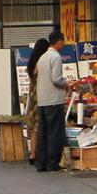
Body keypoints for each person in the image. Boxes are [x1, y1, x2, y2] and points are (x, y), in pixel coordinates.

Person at [34, 31, 68, 173]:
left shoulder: (42, 57)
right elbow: (56, 79)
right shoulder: (55, 57)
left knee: (43, 133)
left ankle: (41, 163)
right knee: (55, 133)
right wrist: (67, 84)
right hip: (54, 100)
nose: (63, 45)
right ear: (59, 42)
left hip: (42, 100)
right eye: (63, 42)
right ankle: (53, 163)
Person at [23, 38, 49, 166]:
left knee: (34, 127)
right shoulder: (41, 62)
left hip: (33, 95)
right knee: (39, 126)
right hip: (40, 95)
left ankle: (33, 154)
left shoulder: (31, 62)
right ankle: (38, 154)